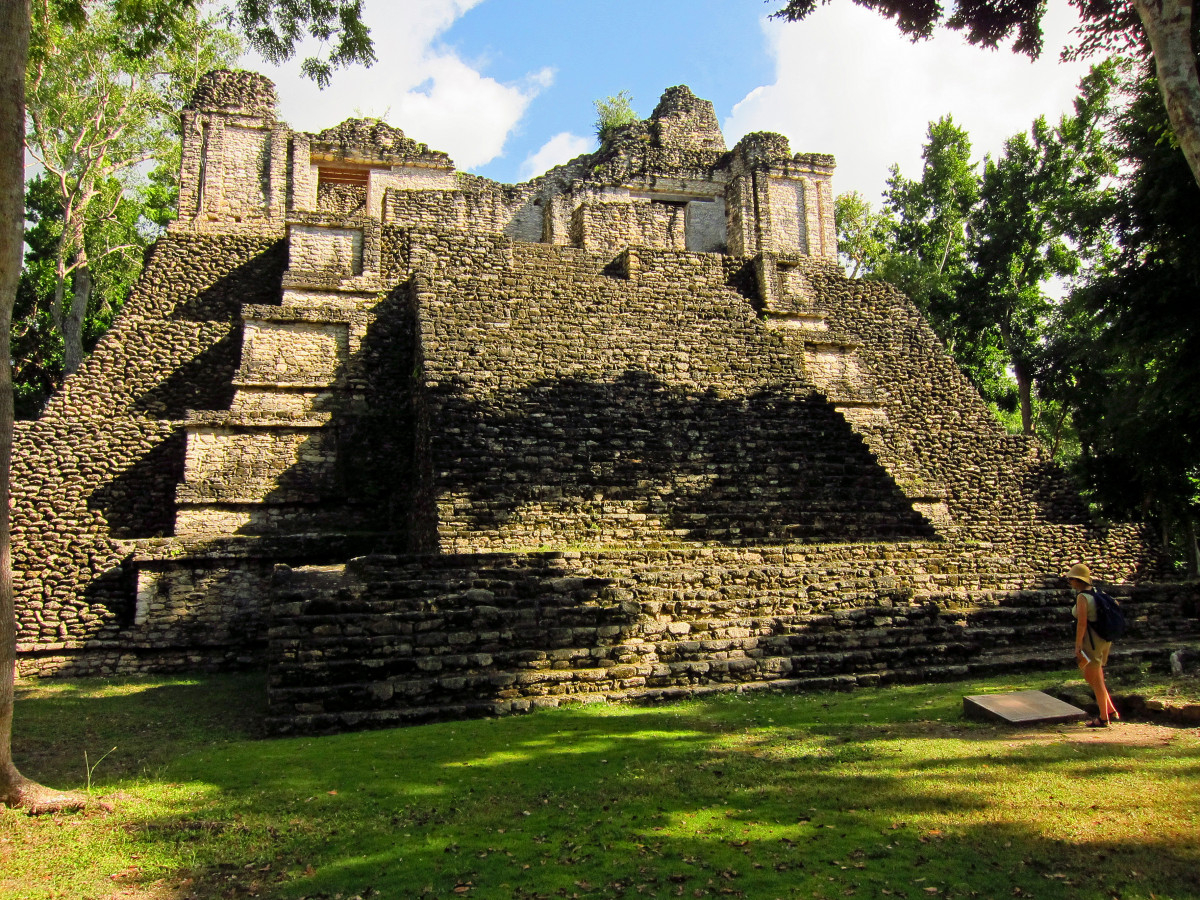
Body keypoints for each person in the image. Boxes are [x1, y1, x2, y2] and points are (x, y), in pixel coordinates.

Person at [1065, 563, 1118, 727]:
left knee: (1094, 678)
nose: (1070, 583)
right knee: (1095, 676)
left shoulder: (1082, 597)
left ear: (1077, 581)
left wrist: (1078, 645)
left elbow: (1081, 623)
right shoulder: (1097, 593)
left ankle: (1103, 718)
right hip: (1104, 639)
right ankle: (1109, 710)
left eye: (1072, 580)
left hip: (1091, 641)